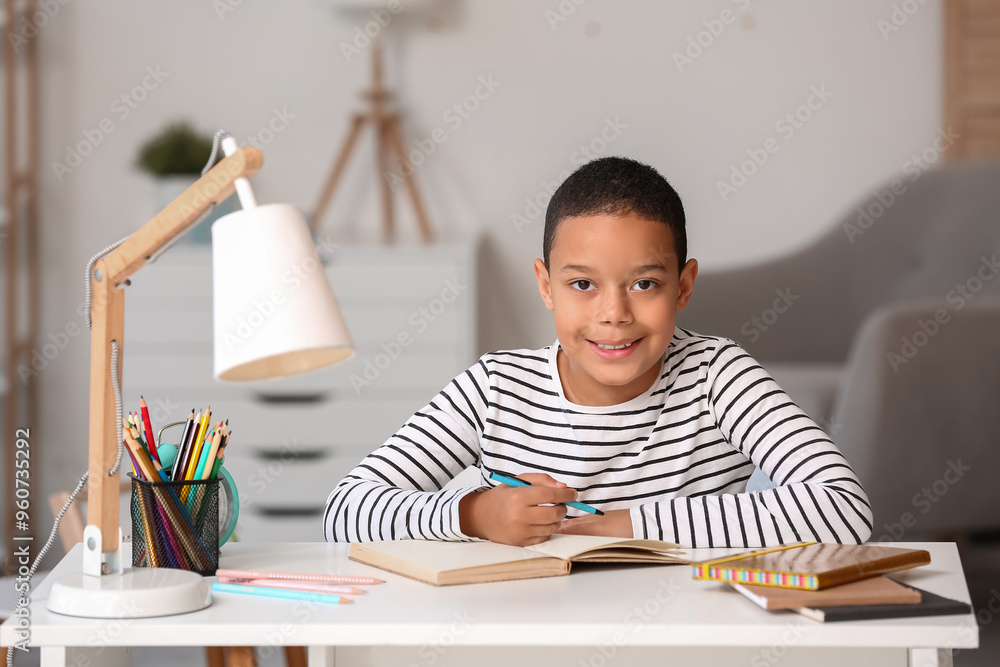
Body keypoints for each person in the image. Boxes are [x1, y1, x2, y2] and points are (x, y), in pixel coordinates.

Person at [323, 156, 873, 548]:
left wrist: (628, 525)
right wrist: (475, 513)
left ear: (683, 286)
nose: (614, 315)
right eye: (583, 285)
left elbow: (843, 508)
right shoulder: (494, 389)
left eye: (644, 284)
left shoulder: (717, 376)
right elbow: (346, 509)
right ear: (545, 286)